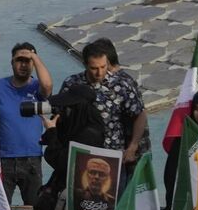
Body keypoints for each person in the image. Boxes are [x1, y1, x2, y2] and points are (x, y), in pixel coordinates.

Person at [0, 43, 53, 210]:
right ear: (12, 62)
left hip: (32, 159)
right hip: (3, 159)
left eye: (28, 61)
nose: (23, 64)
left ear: (34, 63)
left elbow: (47, 85)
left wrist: (34, 57)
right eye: (19, 60)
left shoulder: (37, 88)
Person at [58, 39, 146, 171]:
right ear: (85, 64)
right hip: (80, 156)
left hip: (113, 157)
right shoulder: (72, 84)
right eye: (94, 68)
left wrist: (133, 147)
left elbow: (139, 114)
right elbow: (59, 115)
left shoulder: (121, 85)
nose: (99, 73)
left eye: (103, 67)